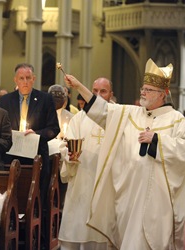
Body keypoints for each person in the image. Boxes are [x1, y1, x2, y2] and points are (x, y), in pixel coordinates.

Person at [64, 58, 185, 250]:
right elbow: (101, 110)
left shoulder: (177, 120)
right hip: (128, 193)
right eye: (143, 88)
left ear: (163, 94)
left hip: (158, 198)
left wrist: (157, 140)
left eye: (148, 90)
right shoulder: (129, 113)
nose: (143, 92)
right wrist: (79, 86)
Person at [0, 62, 60, 249]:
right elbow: (0, 127)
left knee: (35, 197)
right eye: (21, 78)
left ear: (34, 79)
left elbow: (54, 128)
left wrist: (37, 134)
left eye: (28, 78)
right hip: (12, 157)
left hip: (36, 157)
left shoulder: (45, 99)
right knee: (13, 196)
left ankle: (36, 239)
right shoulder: (5, 101)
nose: (25, 82)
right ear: (15, 80)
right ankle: (12, 234)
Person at [59, 77, 114, 250]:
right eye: (94, 90)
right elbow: (66, 145)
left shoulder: (117, 118)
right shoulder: (78, 119)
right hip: (82, 179)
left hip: (107, 183)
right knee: (78, 228)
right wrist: (70, 156)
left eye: (103, 91)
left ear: (111, 95)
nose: (97, 95)